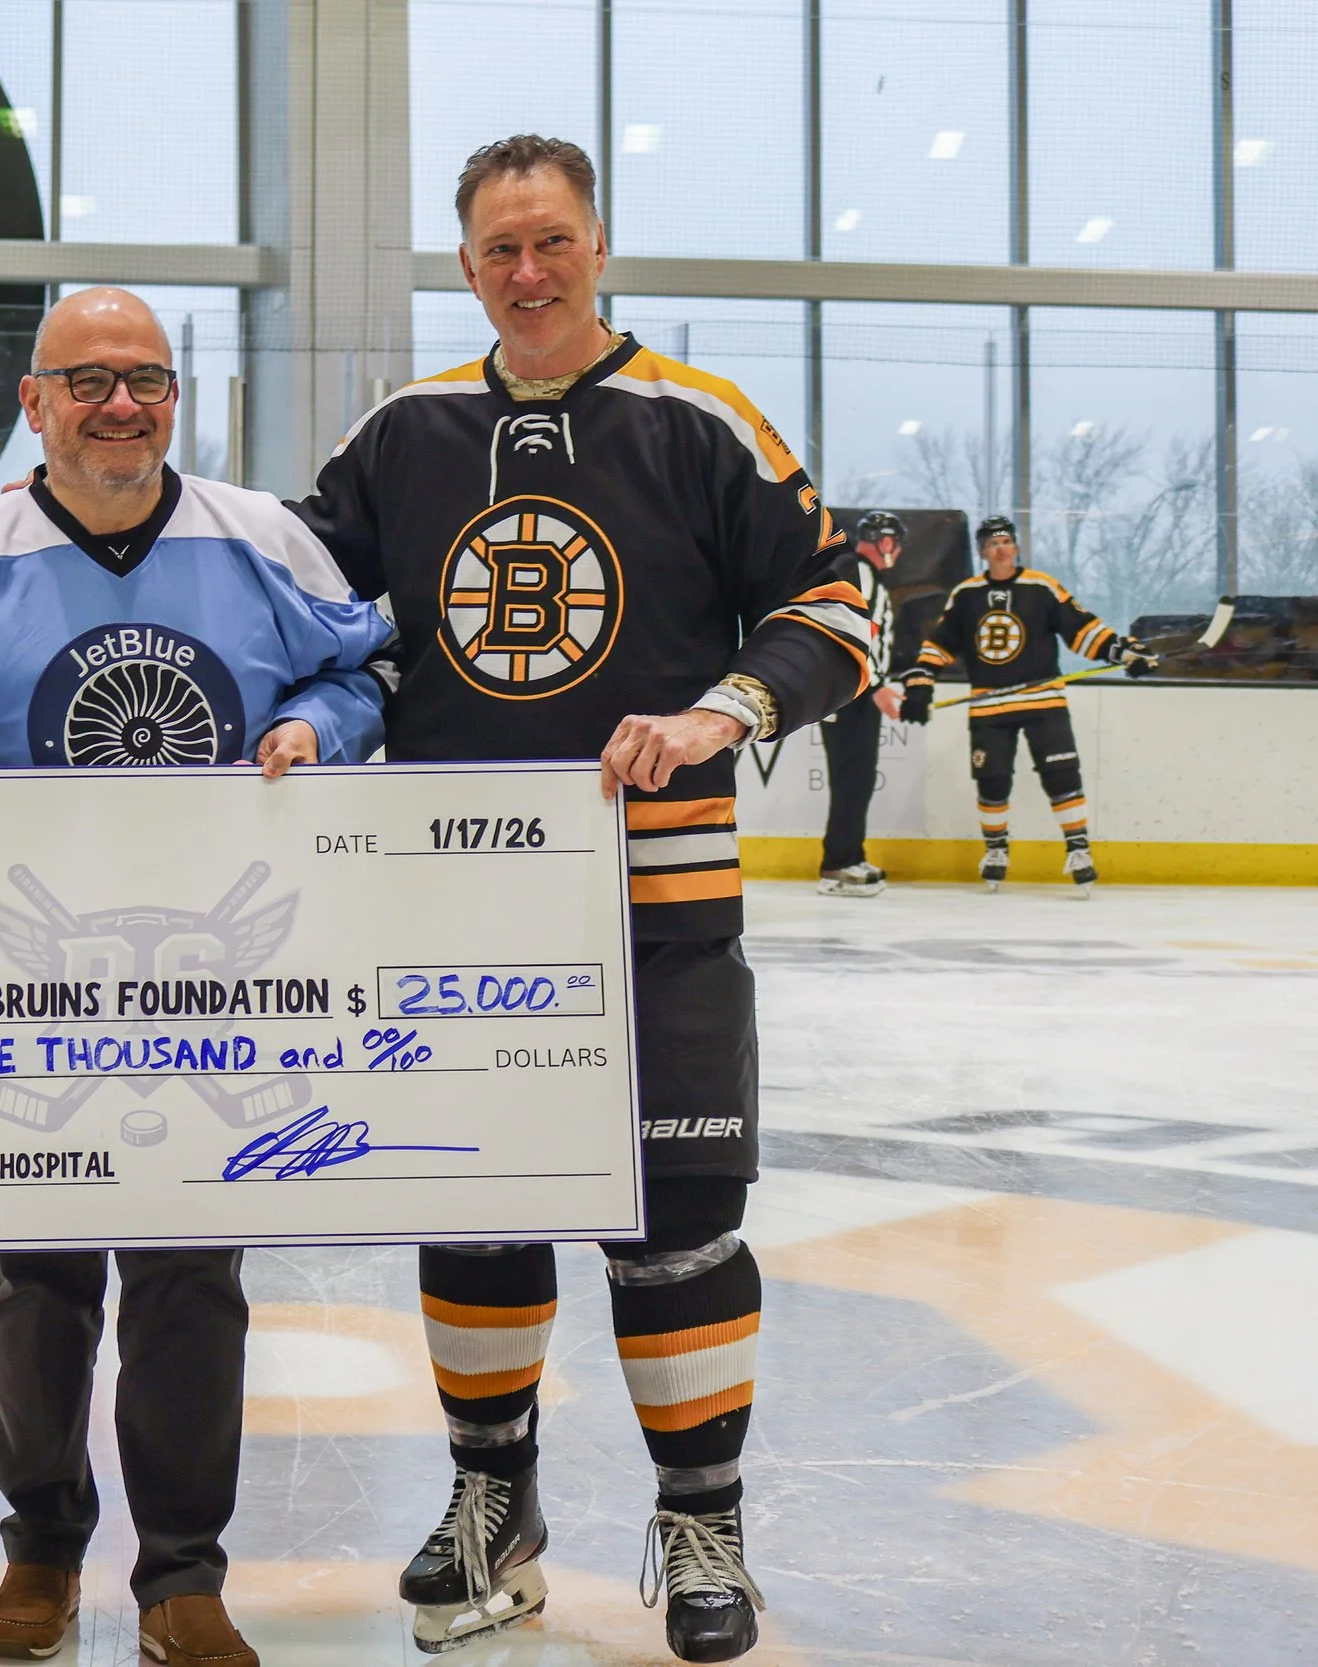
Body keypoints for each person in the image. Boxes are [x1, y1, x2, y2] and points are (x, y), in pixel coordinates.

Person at [291, 134, 874, 1664]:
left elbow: (840, 603)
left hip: (659, 908)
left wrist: (727, 706)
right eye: (499, 249)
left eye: (552, 240)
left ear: (599, 243)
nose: (529, 273)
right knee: (474, 1210)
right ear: (466, 264)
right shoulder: (403, 433)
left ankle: (703, 1522)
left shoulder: (697, 421)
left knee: (678, 1223)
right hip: (449, 910)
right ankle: (499, 1500)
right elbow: (295, 607)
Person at [0, 286, 395, 1667]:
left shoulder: (260, 539)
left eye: (145, 377)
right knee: (42, 1280)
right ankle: (42, 1551)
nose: (120, 403)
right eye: (89, 380)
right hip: (31, 988)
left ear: (174, 395)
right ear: (35, 403)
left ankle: (184, 1570)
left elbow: (367, 672)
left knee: (194, 1275)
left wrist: (315, 723)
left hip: (218, 981)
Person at [897, 513, 1156, 894]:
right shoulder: (966, 594)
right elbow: (939, 643)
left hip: (1042, 700)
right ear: (983, 552)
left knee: (1062, 775)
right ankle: (997, 849)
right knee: (992, 781)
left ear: (1016, 546)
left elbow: (1081, 629)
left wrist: (1122, 650)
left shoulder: (1041, 586)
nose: (1001, 548)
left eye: (1007, 541)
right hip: (988, 704)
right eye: (992, 543)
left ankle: (1079, 849)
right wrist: (921, 682)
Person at [816, 509, 908, 896]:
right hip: (851, 693)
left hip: (855, 692)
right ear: (886, 543)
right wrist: (878, 687)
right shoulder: (860, 573)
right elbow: (859, 632)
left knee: (856, 777)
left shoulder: (863, 574)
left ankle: (849, 854)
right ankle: (838, 863)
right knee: (852, 777)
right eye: (896, 543)